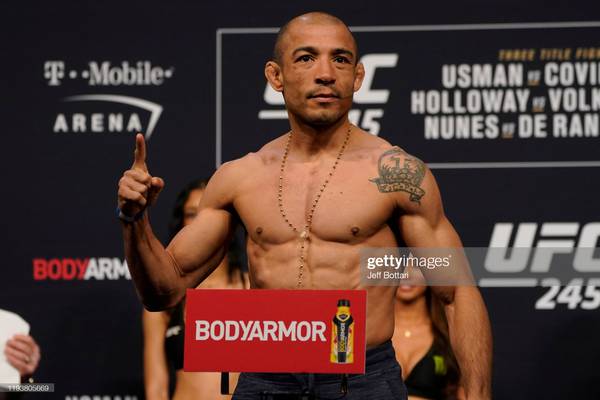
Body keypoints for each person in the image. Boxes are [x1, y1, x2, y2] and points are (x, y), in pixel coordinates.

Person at [117, 11, 492, 400]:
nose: (326, 73)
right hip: (266, 380)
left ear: (357, 77)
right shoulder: (241, 178)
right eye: (306, 58)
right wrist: (134, 219)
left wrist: (479, 393)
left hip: (360, 380)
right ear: (275, 76)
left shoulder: (397, 175)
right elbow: (163, 291)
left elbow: (457, 291)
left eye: (340, 59)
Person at [142, 179, 247, 400]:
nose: (201, 223)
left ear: (230, 221)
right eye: (192, 214)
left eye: (209, 214)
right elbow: (156, 389)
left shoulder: (251, 290)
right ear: (181, 223)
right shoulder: (167, 299)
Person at [392, 273, 464, 400]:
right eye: (399, 266)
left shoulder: (450, 332)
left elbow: (467, 392)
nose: (407, 274)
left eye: (416, 266)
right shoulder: (368, 331)